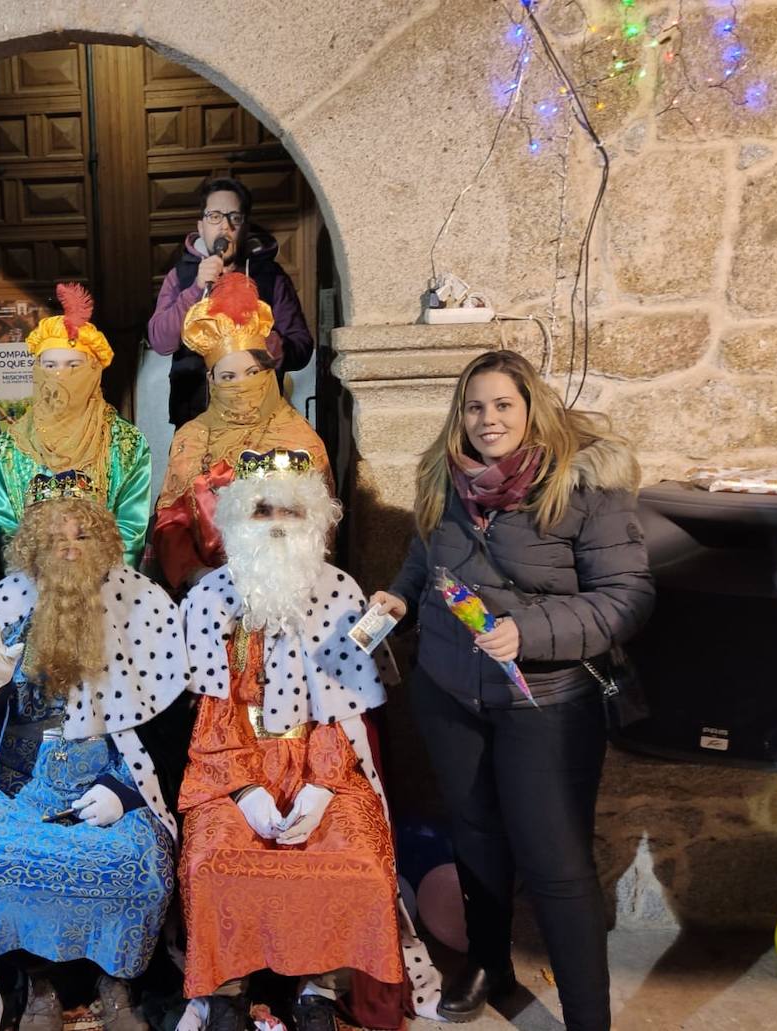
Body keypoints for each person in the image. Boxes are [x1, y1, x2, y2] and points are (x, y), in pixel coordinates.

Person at [368, 350, 654, 1029]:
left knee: (557, 864)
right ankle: (489, 967)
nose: (487, 419)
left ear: (532, 409)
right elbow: (425, 553)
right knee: (476, 840)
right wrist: (401, 598)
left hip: (546, 704)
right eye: (474, 406)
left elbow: (628, 597)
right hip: (449, 693)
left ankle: (588, 1017)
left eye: (502, 405)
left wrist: (530, 631)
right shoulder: (445, 475)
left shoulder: (584, 486)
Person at [177, 449, 439, 1031]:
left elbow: (344, 717)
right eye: (262, 509)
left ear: (315, 520)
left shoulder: (342, 592)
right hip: (230, 765)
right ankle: (226, 992)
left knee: (355, 858)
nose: (275, 522)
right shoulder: (206, 598)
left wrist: (321, 789)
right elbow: (209, 715)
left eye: (290, 511)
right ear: (237, 520)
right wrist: (245, 792)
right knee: (212, 856)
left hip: (325, 765)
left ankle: (319, 987)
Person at [0, 470, 187, 1031]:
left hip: (114, 777)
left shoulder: (143, 607)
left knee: (136, 863)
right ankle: (37, 984)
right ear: (30, 547)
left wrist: (124, 790)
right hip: (17, 782)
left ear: (106, 541)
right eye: (53, 538)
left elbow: (167, 727)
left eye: (82, 536)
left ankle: (116, 982)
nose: (68, 549)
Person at [151, 272, 331, 592]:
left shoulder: (301, 439)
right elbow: (171, 521)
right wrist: (194, 574)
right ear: (212, 382)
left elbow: (323, 523)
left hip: (291, 590)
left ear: (268, 373)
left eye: (252, 373)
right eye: (229, 376)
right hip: (210, 591)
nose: (241, 385)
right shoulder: (191, 439)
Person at [0, 283, 152, 567]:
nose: (60, 376)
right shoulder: (10, 446)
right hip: (31, 582)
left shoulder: (125, 442)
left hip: (107, 583)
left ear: (94, 370)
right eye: (50, 366)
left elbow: (131, 528)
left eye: (73, 366)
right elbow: (6, 525)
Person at [147, 177, 314, 427]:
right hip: (197, 419)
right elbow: (161, 342)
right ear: (201, 226)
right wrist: (195, 289)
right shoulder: (181, 276)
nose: (224, 227)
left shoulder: (270, 277)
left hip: (261, 418)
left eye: (234, 218)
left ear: (245, 226)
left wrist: (261, 336)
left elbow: (301, 349)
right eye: (214, 216)